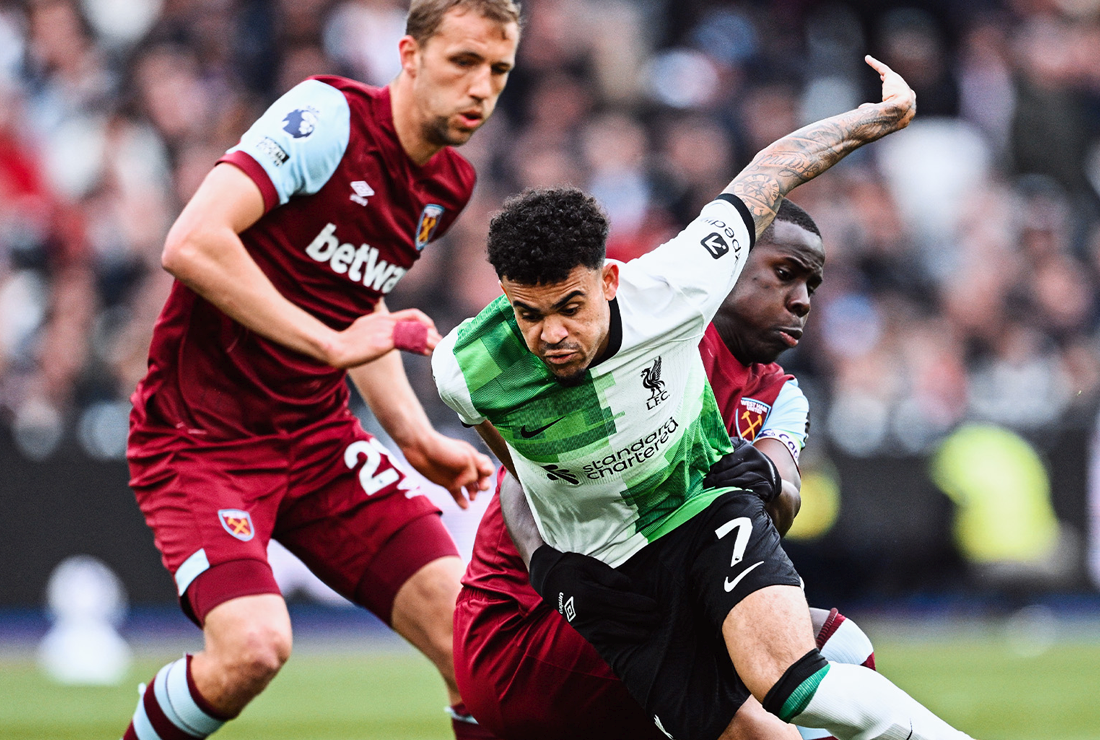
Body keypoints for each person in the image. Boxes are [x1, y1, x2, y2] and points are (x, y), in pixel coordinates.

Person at [435, 57, 976, 740]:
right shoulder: (464, 367)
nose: (551, 335)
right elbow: (520, 468)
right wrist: (550, 566)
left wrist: (874, 120)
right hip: (586, 591)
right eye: (528, 314)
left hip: (696, 525)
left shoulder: (683, 298)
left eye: (569, 307)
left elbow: (773, 168)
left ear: (606, 282)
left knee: (818, 664)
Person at [120, 2, 520, 739]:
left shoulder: (448, 184)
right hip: (202, 438)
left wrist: (413, 437)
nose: (481, 88)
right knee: (254, 649)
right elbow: (193, 243)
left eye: (498, 70)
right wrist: (327, 347)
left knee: (478, 649)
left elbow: (355, 297)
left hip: (317, 440)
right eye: (463, 62)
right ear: (409, 54)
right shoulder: (327, 117)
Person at [452, 199, 878, 740]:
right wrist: (549, 569)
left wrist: (770, 482)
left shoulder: (779, 395)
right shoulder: (627, 339)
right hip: (535, 623)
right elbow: (520, 475)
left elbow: (784, 493)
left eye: (812, 288)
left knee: (840, 646)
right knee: (783, 668)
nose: (800, 301)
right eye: (785, 275)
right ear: (725, 265)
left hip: (639, 621)